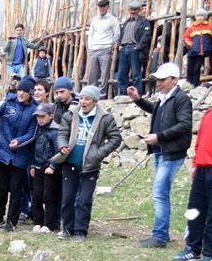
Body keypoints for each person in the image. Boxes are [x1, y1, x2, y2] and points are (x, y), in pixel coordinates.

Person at [127, 63, 193, 248]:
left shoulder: (181, 99)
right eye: (158, 80)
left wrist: (159, 137)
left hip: (171, 153)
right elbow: (154, 111)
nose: (159, 83)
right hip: (161, 152)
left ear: (174, 80)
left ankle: (160, 236)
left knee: (159, 193)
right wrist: (138, 100)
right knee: (160, 193)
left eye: (163, 80)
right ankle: (160, 234)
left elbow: (184, 125)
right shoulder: (166, 98)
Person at [52, 85, 122, 242]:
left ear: (95, 101)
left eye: (87, 99)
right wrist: (62, 145)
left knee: (84, 200)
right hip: (70, 162)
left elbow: (115, 138)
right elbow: (62, 132)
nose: (83, 102)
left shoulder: (105, 118)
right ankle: (67, 229)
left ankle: (80, 232)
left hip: (90, 166)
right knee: (68, 198)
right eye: (81, 98)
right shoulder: (71, 114)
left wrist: (98, 154)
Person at [173, 81, 212, 261]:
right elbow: (201, 142)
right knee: (195, 210)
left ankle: (210, 252)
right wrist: (196, 164)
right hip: (202, 169)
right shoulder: (209, 114)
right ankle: (193, 247)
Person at [0, 76, 38, 231]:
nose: (21, 93)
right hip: (2, 152)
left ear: (30, 93)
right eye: (19, 90)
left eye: (24, 91)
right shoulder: (7, 102)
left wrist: (19, 141)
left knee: (16, 190)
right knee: (0, 188)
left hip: (20, 155)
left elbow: (32, 133)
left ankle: (11, 222)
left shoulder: (35, 109)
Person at [29, 103, 61, 233]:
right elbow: (33, 149)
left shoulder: (55, 131)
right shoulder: (36, 129)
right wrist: (32, 165)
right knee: (36, 196)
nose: (40, 119)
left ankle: (49, 224)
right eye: (38, 117)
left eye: (43, 116)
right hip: (37, 167)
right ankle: (38, 222)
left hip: (49, 169)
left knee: (49, 197)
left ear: (51, 116)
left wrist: (53, 166)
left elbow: (60, 151)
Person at [116, 0, 152, 95]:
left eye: (135, 10)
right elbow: (121, 35)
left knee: (136, 74)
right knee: (122, 74)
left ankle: (137, 94)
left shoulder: (144, 22)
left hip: (134, 49)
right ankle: (124, 93)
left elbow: (147, 35)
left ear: (139, 10)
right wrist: (120, 45)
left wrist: (138, 47)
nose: (133, 12)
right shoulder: (126, 22)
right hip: (124, 49)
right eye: (131, 9)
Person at [87, 0, 120, 98]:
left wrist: (110, 44)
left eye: (104, 7)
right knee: (92, 73)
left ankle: (102, 95)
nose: (102, 9)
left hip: (105, 49)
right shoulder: (94, 20)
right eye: (100, 7)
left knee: (104, 74)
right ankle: (91, 94)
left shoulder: (113, 20)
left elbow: (117, 33)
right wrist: (90, 47)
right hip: (94, 49)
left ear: (107, 7)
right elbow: (90, 34)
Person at [182, 9, 212, 88]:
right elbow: (185, 37)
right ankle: (188, 86)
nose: (200, 17)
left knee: (197, 69)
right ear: (196, 17)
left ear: (205, 17)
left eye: (202, 15)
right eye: (198, 16)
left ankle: (195, 86)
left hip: (202, 52)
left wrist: (209, 46)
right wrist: (191, 45)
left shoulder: (210, 26)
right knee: (189, 69)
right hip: (192, 51)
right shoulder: (191, 27)